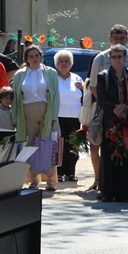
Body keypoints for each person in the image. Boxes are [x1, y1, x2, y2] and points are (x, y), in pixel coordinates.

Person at [95, 44, 128, 202]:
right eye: (114, 57)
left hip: (127, 121)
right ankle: (108, 192)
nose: (117, 60)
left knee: (127, 154)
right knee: (108, 156)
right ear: (110, 58)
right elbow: (101, 97)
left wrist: (125, 107)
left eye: (119, 56)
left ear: (125, 58)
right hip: (110, 121)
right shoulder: (103, 76)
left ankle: (124, 193)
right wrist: (114, 109)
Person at [11, 44, 60, 191]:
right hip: (26, 113)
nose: (34, 59)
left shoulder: (50, 72)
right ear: (26, 59)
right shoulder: (19, 75)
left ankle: (51, 181)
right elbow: (15, 98)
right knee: (29, 146)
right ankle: (33, 180)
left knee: (48, 145)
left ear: (41, 57)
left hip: (46, 112)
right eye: (31, 56)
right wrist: (15, 118)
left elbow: (56, 96)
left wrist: (53, 116)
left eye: (37, 55)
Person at [90, 25, 128, 101]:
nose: (119, 42)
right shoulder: (100, 58)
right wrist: (106, 105)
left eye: (122, 38)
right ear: (110, 38)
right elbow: (93, 86)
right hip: (107, 106)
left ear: (127, 39)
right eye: (116, 38)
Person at [55, 49, 84, 183]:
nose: (64, 64)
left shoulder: (77, 78)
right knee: (59, 146)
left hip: (75, 118)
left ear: (71, 64)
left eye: (67, 61)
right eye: (61, 61)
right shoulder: (53, 78)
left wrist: (83, 88)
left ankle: (71, 172)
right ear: (56, 64)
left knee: (73, 145)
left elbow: (87, 96)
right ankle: (59, 172)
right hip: (58, 117)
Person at [80, 55, 101, 191]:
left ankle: (105, 178)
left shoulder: (108, 78)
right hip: (92, 118)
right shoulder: (87, 82)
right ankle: (97, 179)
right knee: (94, 148)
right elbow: (85, 104)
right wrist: (84, 123)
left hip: (105, 116)